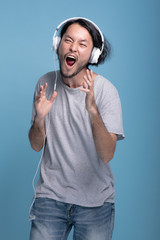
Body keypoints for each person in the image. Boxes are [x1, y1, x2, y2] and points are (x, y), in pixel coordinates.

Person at [29, 17, 125, 240]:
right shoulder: (45, 83)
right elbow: (36, 145)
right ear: (58, 44)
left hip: (95, 203)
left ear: (93, 55)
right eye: (68, 40)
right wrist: (39, 119)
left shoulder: (105, 91)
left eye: (82, 44)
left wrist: (92, 110)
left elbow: (107, 153)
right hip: (50, 199)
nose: (73, 47)